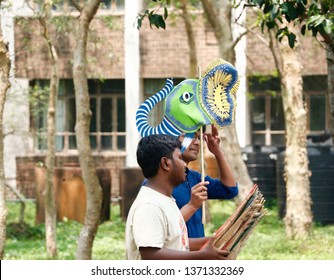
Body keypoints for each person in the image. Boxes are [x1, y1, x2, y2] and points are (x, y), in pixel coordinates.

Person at [125, 134, 231, 260]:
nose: (184, 165)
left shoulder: (166, 200)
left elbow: (177, 241)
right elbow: (150, 255)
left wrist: (212, 241)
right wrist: (201, 255)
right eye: (180, 158)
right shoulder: (150, 205)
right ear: (165, 163)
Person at [174, 124, 238, 238]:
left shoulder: (195, 177)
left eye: (198, 137)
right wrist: (192, 205)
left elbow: (229, 190)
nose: (197, 142)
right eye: (190, 136)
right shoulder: (161, 182)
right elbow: (165, 227)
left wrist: (217, 152)